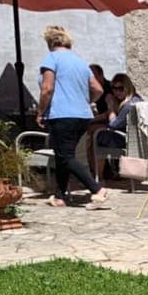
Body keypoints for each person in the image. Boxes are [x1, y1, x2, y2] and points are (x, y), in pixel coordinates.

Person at [35, 25, 107, 207]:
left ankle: (96, 189)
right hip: (83, 116)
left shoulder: (51, 58)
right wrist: (85, 100)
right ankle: (60, 196)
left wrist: (40, 111)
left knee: (66, 156)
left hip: (61, 115)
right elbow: (98, 89)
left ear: (50, 42)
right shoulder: (80, 62)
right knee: (63, 155)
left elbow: (47, 88)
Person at [89, 73, 143, 181]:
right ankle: (105, 173)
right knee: (96, 131)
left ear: (127, 87)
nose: (117, 92)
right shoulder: (137, 100)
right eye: (114, 88)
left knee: (96, 137)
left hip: (125, 141)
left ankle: (98, 176)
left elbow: (114, 124)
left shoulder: (129, 106)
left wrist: (110, 106)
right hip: (136, 140)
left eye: (120, 88)